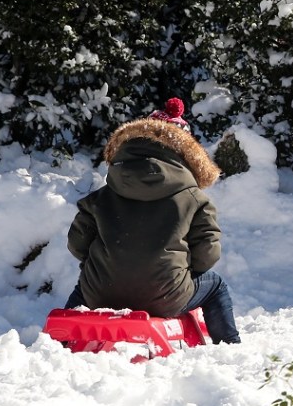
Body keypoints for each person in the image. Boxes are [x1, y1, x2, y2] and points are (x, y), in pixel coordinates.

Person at [64, 98, 241, 344]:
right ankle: (229, 346)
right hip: (166, 296)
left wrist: (104, 265)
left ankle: (58, 340)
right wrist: (183, 272)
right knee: (216, 285)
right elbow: (207, 253)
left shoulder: (104, 195)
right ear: (186, 151)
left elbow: (77, 243)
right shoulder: (193, 198)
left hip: (100, 292)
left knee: (88, 281)